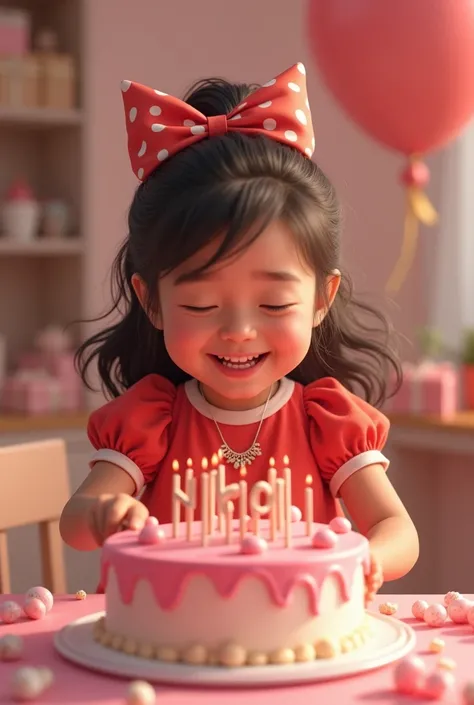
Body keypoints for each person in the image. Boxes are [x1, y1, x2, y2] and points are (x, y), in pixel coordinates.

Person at [60, 63, 419, 599]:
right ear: (151, 301)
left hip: (302, 650)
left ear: (322, 298)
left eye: (274, 303)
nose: (239, 331)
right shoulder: (151, 419)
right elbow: (75, 523)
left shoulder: (327, 421)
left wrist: (368, 560)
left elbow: (399, 532)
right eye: (201, 304)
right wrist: (104, 513)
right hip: (168, 656)